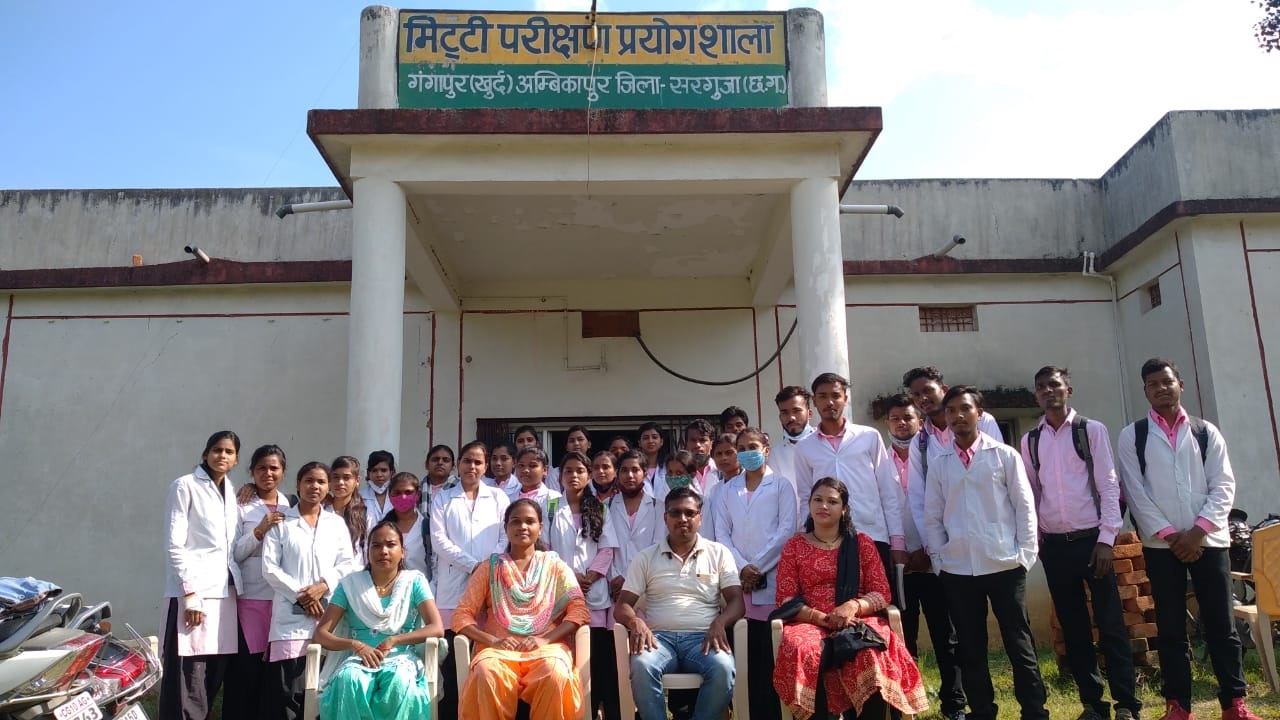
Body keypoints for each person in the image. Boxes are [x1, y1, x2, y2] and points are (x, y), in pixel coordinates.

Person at [1116, 358, 1261, 720]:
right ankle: (1177, 705)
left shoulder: (1205, 431)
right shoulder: (1133, 436)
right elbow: (1135, 492)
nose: (1161, 388)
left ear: (1180, 384)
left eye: (1167, 382)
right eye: (1153, 384)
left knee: (1222, 625)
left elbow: (1223, 485)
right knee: (1170, 628)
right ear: (1145, 391)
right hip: (1161, 546)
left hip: (1209, 543)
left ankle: (1234, 704)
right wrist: (1172, 536)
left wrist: (1196, 533)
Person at [1020, 366, 1138, 720]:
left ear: (1068, 389)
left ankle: (1127, 705)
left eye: (1054, 385)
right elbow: (1031, 494)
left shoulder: (1091, 431)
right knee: (1074, 629)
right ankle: (1093, 704)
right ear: (1036, 396)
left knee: (1111, 626)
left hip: (1092, 542)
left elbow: (1109, 486)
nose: (1048, 392)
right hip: (1055, 546)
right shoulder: (1031, 441)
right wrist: (1037, 541)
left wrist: (1107, 540)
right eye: (1041, 388)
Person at [922, 386, 1047, 720]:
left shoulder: (1004, 455)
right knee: (970, 647)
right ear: (945, 418)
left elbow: (1025, 508)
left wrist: (1025, 556)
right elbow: (932, 516)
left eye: (965, 409)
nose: (958, 416)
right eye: (951, 411)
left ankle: (1034, 711)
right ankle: (981, 711)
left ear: (979, 413)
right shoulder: (940, 463)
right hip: (959, 570)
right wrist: (940, 560)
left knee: (1019, 645)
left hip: (1005, 564)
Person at [773, 478, 929, 720]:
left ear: (844, 509)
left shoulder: (861, 544)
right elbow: (786, 598)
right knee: (803, 649)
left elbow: (881, 592)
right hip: (810, 620)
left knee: (869, 651)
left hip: (857, 618)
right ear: (809, 504)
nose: (824, 506)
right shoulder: (794, 546)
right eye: (818, 500)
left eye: (832, 501)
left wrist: (852, 606)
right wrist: (820, 617)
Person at [453, 499, 591, 720]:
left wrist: (546, 639)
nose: (523, 527)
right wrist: (492, 641)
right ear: (506, 527)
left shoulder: (555, 566)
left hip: (546, 649)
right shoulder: (489, 568)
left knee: (555, 672)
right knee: (486, 672)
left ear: (540, 528)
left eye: (530, 522)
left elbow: (579, 611)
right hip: (498, 650)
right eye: (515, 522)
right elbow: (461, 616)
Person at [615, 486, 745, 720]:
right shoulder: (646, 556)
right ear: (665, 518)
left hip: (704, 638)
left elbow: (737, 601)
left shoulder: (718, 553)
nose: (682, 519)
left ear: (700, 518)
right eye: (675, 513)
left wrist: (720, 622)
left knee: (723, 668)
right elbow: (622, 606)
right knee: (643, 666)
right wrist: (635, 622)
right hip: (659, 640)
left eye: (689, 513)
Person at [879, 395, 966, 720]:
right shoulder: (880, 461)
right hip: (897, 564)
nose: (902, 423)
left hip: (936, 560)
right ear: (887, 423)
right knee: (904, 637)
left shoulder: (936, 456)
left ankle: (954, 704)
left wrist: (930, 550)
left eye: (908, 417)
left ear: (920, 422)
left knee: (947, 637)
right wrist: (896, 553)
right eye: (895, 418)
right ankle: (907, 705)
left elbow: (946, 504)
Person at [312, 520, 445, 720]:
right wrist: (356, 645)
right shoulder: (350, 585)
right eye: (376, 545)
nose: (383, 551)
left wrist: (395, 640)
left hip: (402, 658)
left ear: (402, 551)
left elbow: (436, 628)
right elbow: (320, 634)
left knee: (399, 680)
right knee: (349, 679)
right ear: (368, 552)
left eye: (390, 545)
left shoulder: (414, 581)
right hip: (360, 658)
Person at [713, 428, 798, 720]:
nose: (747, 452)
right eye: (742, 447)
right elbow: (722, 533)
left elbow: (786, 530)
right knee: (744, 659)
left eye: (753, 446)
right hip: (739, 581)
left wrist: (758, 567)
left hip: (771, 580)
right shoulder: (726, 490)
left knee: (769, 655)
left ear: (766, 449)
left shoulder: (781, 486)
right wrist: (742, 568)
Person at [261, 462, 356, 719]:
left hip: (328, 614)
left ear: (328, 488)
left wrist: (323, 586)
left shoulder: (336, 524)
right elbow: (269, 568)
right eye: (309, 481)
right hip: (290, 620)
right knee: (289, 690)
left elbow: (348, 563)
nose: (315, 486)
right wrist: (303, 595)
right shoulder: (282, 523)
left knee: (323, 687)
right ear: (298, 485)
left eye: (321, 482)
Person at [794, 373, 907, 587]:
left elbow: (887, 491)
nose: (829, 402)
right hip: (827, 539)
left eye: (836, 395)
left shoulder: (869, 437)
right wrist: (806, 539)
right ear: (814, 402)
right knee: (835, 602)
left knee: (876, 602)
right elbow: (804, 497)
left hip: (872, 533)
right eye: (823, 396)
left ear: (845, 399)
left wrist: (897, 541)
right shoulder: (804, 447)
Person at [161, 430, 244, 720]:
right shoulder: (185, 486)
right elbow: (174, 543)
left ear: (236, 459)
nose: (222, 456)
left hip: (223, 594)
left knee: (212, 675)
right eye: (217, 450)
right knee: (188, 677)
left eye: (229, 452)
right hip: (194, 595)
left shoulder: (231, 493)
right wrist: (190, 593)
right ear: (206, 453)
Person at [430, 440, 511, 720]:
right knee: (453, 660)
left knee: (486, 655)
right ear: (459, 464)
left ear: (485, 466)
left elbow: (505, 537)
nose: (472, 467)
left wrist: (487, 567)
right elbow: (439, 541)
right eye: (467, 461)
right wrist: (473, 565)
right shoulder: (443, 498)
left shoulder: (499, 498)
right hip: (452, 588)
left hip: (492, 583)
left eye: (478, 462)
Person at [548, 451, 622, 720]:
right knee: (570, 655)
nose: (574, 476)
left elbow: (607, 548)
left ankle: (599, 709)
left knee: (598, 657)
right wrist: (570, 575)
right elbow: (545, 547)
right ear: (560, 476)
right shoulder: (551, 507)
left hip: (595, 590)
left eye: (579, 471)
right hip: (562, 588)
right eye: (568, 471)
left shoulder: (601, 507)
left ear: (588, 475)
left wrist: (590, 576)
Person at [227, 444, 294, 719]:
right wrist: (259, 530)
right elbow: (233, 554)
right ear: (252, 471)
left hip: (282, 599)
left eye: (274, 468)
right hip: (251, 599)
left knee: (273, 675)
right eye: (261, 468)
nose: (268, 473)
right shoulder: (240, 505)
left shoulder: (292, 505)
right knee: (247, 672)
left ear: (283, 472)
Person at [606, 451, 665, 602]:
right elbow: (604, 548)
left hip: (647, 587)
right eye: (624, 470)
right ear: (617, 473)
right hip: (614, 587)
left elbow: (657, 546)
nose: (630, 475)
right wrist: (615, 577)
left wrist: (629, 580)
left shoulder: (658, 506)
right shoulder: (607, 506)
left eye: (635, 470)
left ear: (644, 473)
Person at [770, 386, 815, 529]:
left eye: (796, 411)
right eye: (785, 412)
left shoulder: (825, 446)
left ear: (809, 413)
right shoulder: (775, 455)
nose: (791, 418)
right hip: (792, 533)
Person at [382, 472, 430, 577]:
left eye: (408, 492)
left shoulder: (427, 527)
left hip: (420, 588)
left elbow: (435, 563)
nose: (403, 497)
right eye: (397, 492)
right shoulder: (382, 529)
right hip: (389, 588)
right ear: (389, 495)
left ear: (418, 495)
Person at [327, 456, 369, 568]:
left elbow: (368, 551)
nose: (340, 482)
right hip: (324, 578)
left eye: (346, 478)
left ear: (357, 481)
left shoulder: (365, 513)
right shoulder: (322, 510)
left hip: (355, 577)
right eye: (335, 477)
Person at [513, 445, 564, 517]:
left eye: (532, 465)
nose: (525, 470)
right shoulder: (509, 498)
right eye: (521, 465)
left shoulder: (553, 498)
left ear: (545, 470)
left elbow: (554, 525)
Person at [358, 450, 396, 523]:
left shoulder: (398, 496)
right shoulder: (359, 497)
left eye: (384, 470)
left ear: (392, 472)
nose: (379, 474)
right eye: (374, 470)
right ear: (368, 473)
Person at [638, 421, 670, 494]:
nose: (650, 441)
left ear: (661, 441)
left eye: (654, 437)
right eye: (646, 438)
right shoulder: (635, 468)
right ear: (639, 443)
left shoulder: (668, 467)